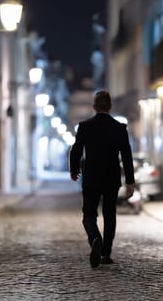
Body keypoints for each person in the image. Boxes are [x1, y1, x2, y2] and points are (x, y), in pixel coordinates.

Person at [69, 90, 135, 268]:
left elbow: (76, 150)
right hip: (111, 178)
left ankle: (95, 238)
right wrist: (130, 181)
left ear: (94, 107)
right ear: (110, 106)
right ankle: (106, 253)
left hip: (91, 177)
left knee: (88, 214)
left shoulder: (85, 126)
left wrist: (74, 170)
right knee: (109, 214)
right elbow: (127, 156)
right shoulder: (119, 128)